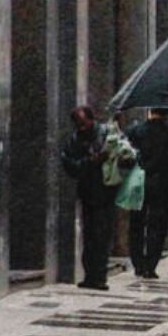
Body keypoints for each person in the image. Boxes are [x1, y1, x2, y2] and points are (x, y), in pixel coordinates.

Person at [60, 106, 123, 291]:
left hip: (107, 192)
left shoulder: (107, 133)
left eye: (83, 123)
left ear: (91, 119)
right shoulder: (74, 139)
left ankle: (100, 277)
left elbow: (128, 155)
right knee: (89, 236)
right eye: (77, 124)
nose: (81, 128)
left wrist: (113, 155)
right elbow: (69, 164)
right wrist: (90, 162)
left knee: (102, 235)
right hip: (88, 192)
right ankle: (90, 276)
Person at [125, 107, 168, 279]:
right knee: (158, 225)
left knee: (136, 223)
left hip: (138, 182)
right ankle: (150, 265)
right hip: (161, 184)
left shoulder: (136, 131)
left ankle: (137, 263)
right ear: (167, 114)